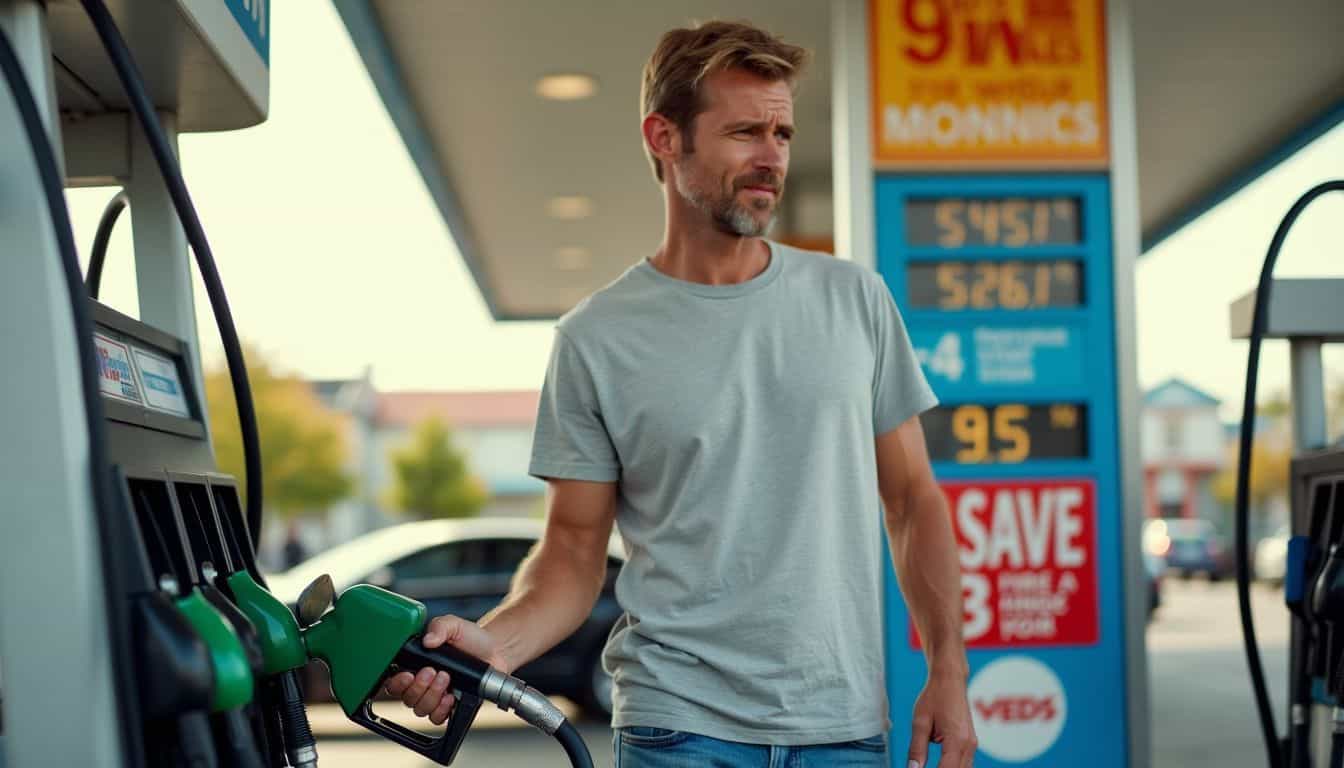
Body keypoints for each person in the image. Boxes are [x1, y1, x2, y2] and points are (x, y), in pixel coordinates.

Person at [385, 19, 976, 767]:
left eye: (783, 134)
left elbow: (914, 498)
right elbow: (572, 549)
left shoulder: (854, 300)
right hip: (678, 729)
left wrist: (949, 672)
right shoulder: (595, 338)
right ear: (665, 138)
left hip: (842, 725)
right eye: (744, 134)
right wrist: (493, 644)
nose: (771, 159)